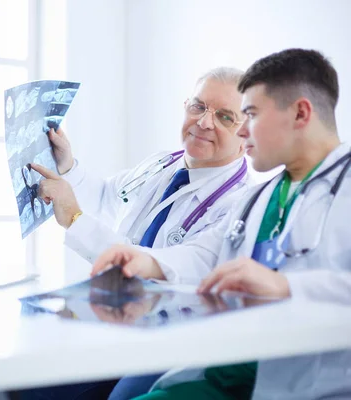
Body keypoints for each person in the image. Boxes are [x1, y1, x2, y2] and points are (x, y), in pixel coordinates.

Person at [92, 48, 351, 400]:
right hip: (222, 374)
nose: (242, 133)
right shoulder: (262, 196)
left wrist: (287, 287)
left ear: (300, 113)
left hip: (307, 386)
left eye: (251, 115)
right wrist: (145, 260)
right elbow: (208, 250)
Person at [13, 67, 254, 400]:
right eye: (197, 106)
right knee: (26, 368)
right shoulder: (163, 164)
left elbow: (171, 264)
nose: (204, 122)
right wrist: (68, 166)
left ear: (247, 132)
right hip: (117, 309)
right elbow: (109, 198)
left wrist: (74, 217)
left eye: (225, 117)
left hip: (173, 335)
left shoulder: (241, 202)